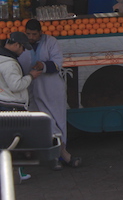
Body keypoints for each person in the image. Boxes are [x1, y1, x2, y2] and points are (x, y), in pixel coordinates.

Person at [19, 20, 80, 169]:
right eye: (28, 34)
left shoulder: (51, 42)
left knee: (58, 122)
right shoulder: (21, 44)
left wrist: (43, 65)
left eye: (34, 34)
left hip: (51, 89)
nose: (31, 37)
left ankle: (59, 155)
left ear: (41, 32)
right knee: (46, 124)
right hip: (30, 90)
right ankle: (62, 155)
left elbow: (58, 63)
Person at [0, 32, 40, 183]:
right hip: (13, 106)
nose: (23, 51)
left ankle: (14, 173)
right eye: (23, 47)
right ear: (16, 45)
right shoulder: (9, 63)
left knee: (6, 142)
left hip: (3, 103)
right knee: (16, 142)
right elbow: (16, 85)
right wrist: (31, 76)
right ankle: (18, 174)